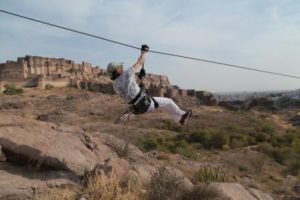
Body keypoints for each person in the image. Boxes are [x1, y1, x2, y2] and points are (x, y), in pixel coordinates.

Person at [107, 45, 192, 125]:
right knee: (168, 101)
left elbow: (132, 90)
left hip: (138, 107)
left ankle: (180, 119)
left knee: (165, 105)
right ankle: (182, 115)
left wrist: (140, 78)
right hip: (145, 103)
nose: (122, 67)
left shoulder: (115, 85)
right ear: (116, 70)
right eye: (120, 67)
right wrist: (144, 52)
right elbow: (139, 63)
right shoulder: (126, 74)